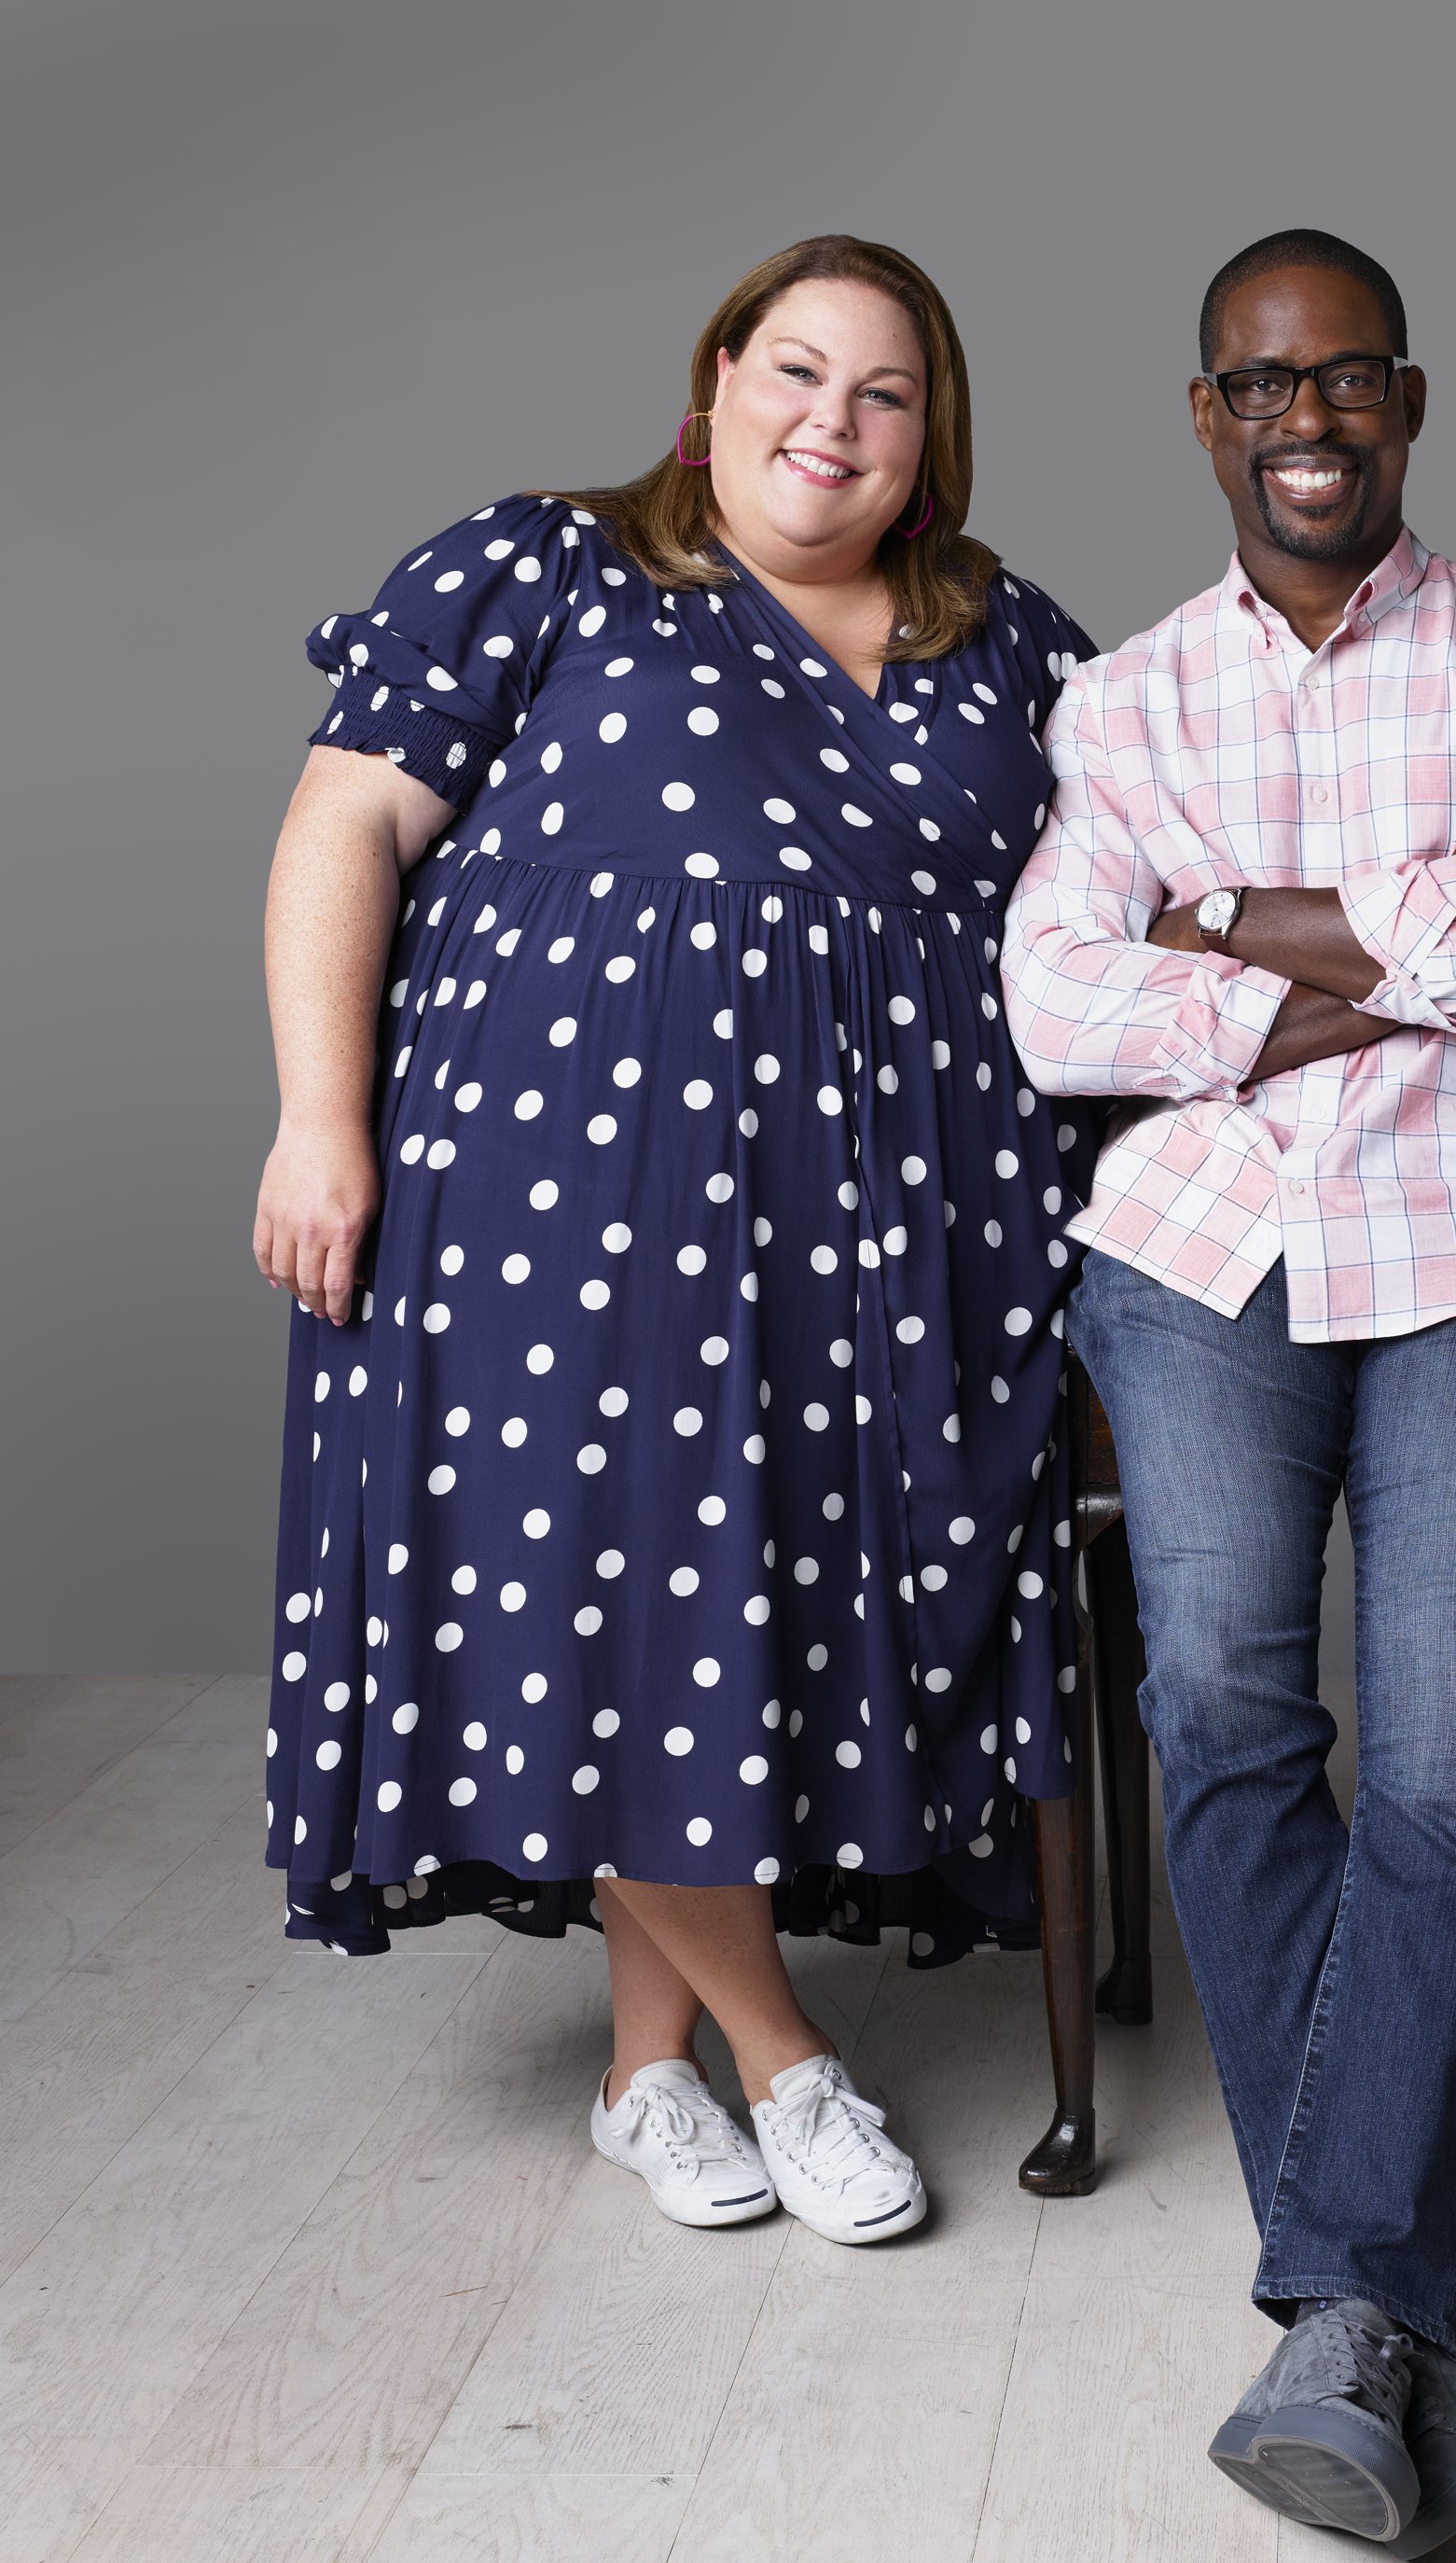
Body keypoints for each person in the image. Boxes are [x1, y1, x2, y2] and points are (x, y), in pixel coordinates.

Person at [256, 234, 1097, 2250]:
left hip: (892, 1246)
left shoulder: (1018, 640)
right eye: (794, 371)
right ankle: (791, 2059)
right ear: (714, 378)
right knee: (592, 1607)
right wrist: (318, 1119)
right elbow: (343, 828)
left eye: (883, 394)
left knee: (718, 1626)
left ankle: (647, 2074)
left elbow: (1153, 875)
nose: (832, 422)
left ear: (933, 437)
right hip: (549, 1219)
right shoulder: (544, 566)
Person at [1002, 230, 1456, 2556]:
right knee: (1229, 1720)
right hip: (1199, 1259)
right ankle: (1380, 2314)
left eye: (1349, 381)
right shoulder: (1127, 699)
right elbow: (1060, 1009)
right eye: (1265, 388)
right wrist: (1397, 934)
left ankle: (1341, 2317)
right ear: (1205, 415)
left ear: (1411, 400)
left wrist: (1228, 927)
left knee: (1455, 1769)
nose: (1309, 422)